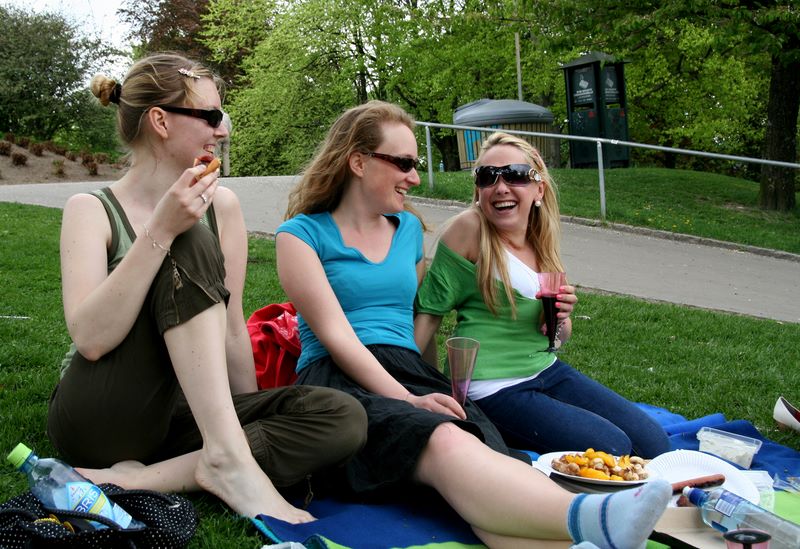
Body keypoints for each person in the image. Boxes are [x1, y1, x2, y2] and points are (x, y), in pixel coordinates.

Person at [275, 100, 671, 548]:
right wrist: (409, 398)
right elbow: (338, 337)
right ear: (358, 162)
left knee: (486, 456)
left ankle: (579, 541)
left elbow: (411, 323)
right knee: (445, 440)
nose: (415, 177)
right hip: (338, 374)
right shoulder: (299, 235)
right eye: (404, 163)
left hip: (404, 370)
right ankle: (586, 519)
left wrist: (427, 382)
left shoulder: (407, 230)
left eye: (415, 164)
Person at [46, 53, 367, 522]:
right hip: (106, 414)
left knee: (342, 417)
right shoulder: (90, 209)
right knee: (190, 238)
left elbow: (232, 331)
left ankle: (153, 476)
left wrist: (245, 411)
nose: (222, 130)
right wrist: (161, 229)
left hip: (186, 416)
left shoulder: (224, 206)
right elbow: (91, 340)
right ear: (160, 121)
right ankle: (225, 458)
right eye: (211, 116)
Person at [414, 132, 669, 459]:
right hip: (491, 387)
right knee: (613, 447)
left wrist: (561, 318)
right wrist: (405, 390)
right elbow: (428, 313)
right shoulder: (469, 229)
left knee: (654, 442)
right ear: (478, 190)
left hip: (546, 369)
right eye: (487, 176)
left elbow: (560, 338)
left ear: (539, 189)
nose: (501, 187)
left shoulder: (541, 240)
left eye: (515, 175)